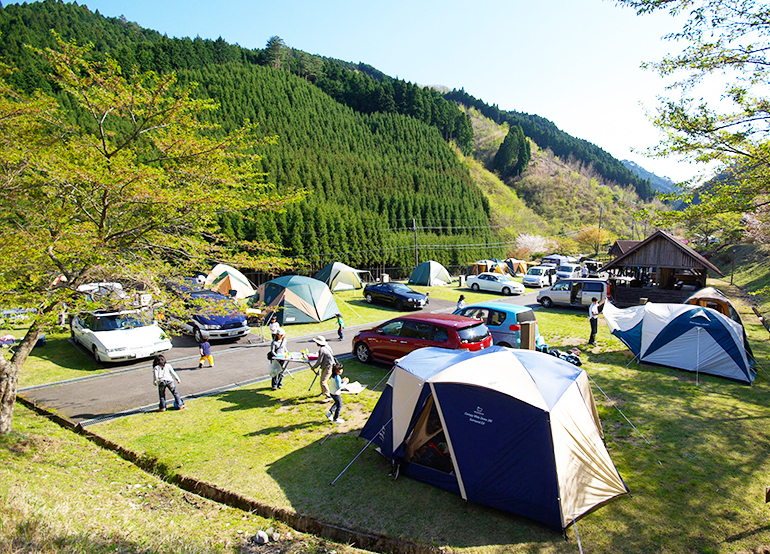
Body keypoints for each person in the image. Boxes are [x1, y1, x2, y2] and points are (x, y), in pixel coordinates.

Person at [310, 335, 335, 401]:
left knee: (323, 381)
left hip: (328, 366)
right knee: (322, 379)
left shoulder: (322, 350)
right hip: (327, 365)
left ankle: (328, 396)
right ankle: (323, 392)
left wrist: (314, 367)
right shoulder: (327, 347)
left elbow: (319, 361)